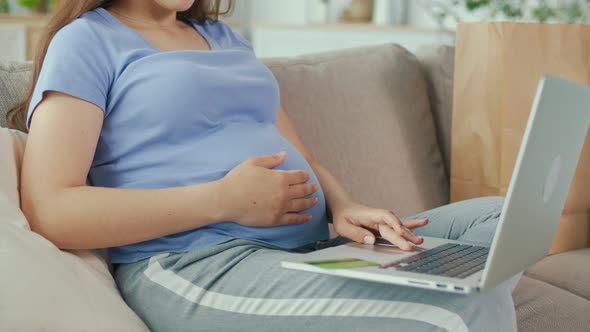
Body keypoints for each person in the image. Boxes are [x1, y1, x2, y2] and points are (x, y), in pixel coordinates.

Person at [9, 0, 520, 331]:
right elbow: (52, 209)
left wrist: (344, 205)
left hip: (319, 247)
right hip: (200, 264)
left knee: (505, 222)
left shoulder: (224, 37)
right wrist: (223, 200)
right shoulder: (86, 41)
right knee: (466, 305)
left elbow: (300, 153)